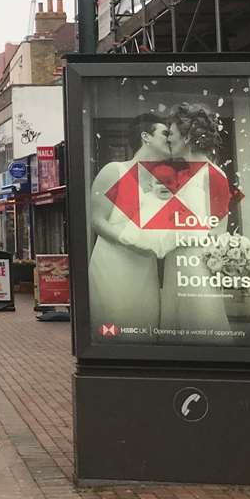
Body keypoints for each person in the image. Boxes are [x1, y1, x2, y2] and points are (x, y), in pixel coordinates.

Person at [87, 110, 177, 335]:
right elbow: (97, 220)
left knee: (145, 328)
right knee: (112, 327)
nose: (170, 138)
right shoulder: (114, 170)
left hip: (145, 270)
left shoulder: (164, 181)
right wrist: (128, 239)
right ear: (146, 137)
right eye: (165, 133)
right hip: (113, 265)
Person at [156, 103, 233, 340]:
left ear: (188, 137)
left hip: (195, 263)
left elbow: (219, 229)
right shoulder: (186, 175)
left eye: (173, 134)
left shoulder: (212, 175)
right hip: (176, 261)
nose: (169, 140)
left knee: (200, 322)